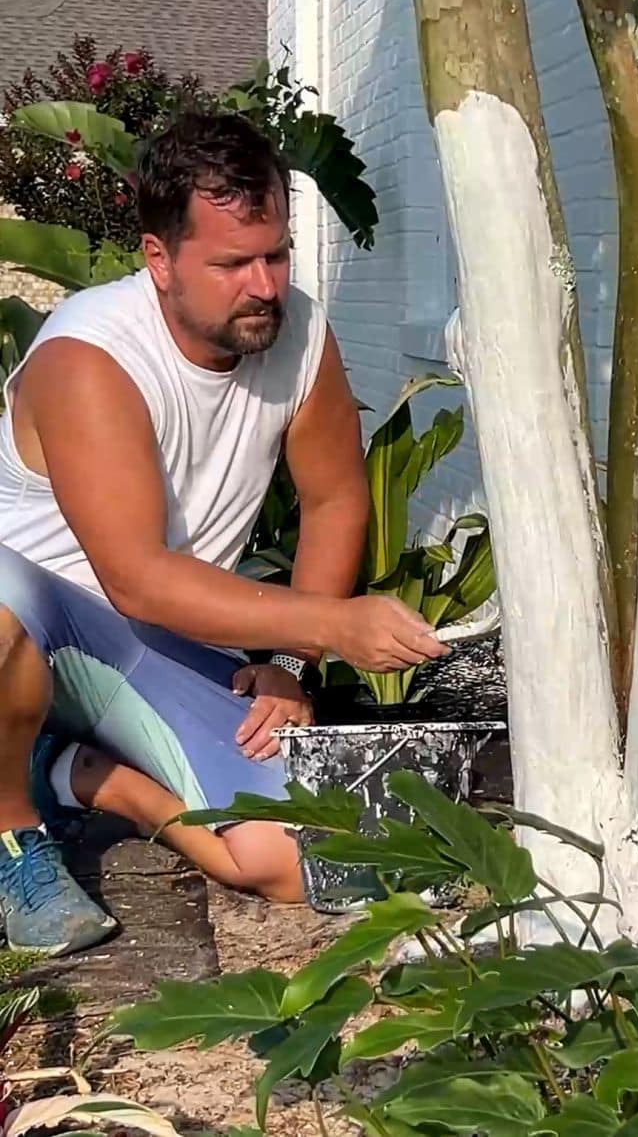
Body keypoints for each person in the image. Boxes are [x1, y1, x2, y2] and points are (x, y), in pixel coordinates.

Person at [0, 112, 448, 956]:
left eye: (275, 254)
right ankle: (14, 836)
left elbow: (335, 499)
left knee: (289, 857)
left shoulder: (300, 336)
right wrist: (332, 624)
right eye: (232, 263)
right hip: (37, 624)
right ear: (159, 259)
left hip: (155, 646)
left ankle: (82, 777)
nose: (265, 286)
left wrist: (288, 666)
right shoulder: (89, 356)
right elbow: (133, 576)